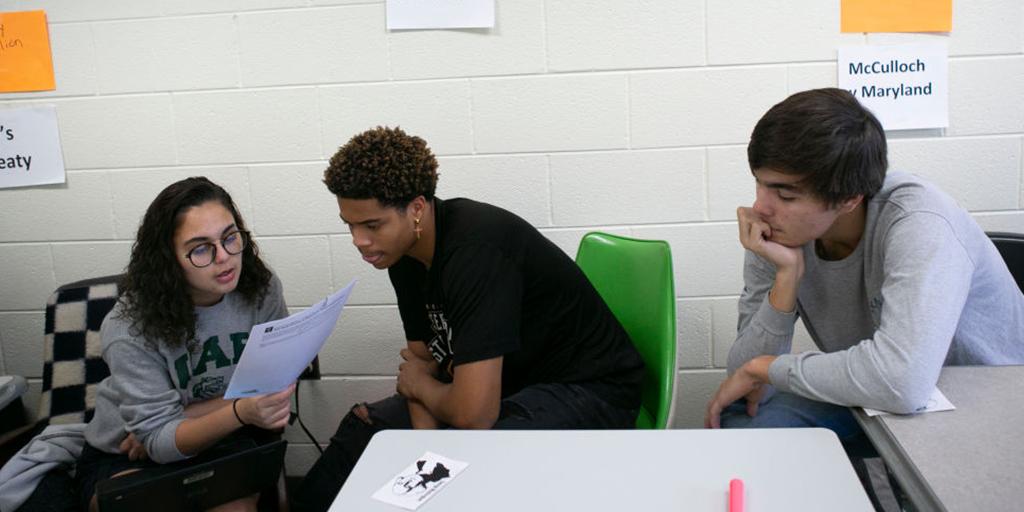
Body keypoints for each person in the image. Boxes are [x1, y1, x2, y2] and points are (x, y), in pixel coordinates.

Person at [293, 127, 644, 511]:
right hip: (504, 388)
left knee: (483, 458)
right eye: (350, 225)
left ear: (416, 209)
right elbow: (422, 367)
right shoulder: (402, 255)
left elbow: (472, 412)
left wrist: (429, 402)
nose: (359, 241)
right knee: (365, 427)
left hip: (589, 390)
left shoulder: (476, 251)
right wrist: (427, 453)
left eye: (372, 225)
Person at [704, 88, 1024, 437]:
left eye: (785, 194)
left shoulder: (919, 221)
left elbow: (903, 382)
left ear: (849, 199)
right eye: (760, 184)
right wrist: (786, 278)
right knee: (738, 418)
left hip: (982, 397)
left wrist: (768, 368)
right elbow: (746, 377)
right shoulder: (777, 231)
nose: (761, 207)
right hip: (881, 393)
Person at [75, 177, 295, 512]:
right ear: (168, 259)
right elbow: (158, 444)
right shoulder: (129, 327)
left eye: (230, 237)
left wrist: (182, 420)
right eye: (201, 248)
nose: (224, 257)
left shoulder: (260, 289)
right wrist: (239, 408)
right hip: (124, 452)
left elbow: (273, 384)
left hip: (226, 438)